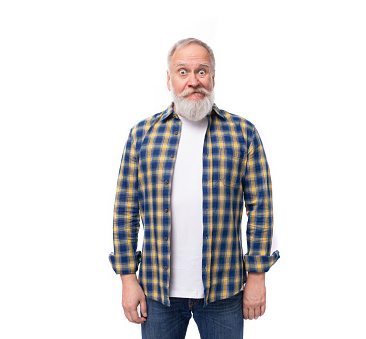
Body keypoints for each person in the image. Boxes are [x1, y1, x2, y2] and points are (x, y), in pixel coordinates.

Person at [109, 38, 279, 339]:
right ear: (169, 79)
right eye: (183, 71)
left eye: (202, 71)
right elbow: (125, 211)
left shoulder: (243, 133)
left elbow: (260, 207)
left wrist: (257, 275)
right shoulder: (142, 135)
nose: (193, 81)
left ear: (213, 77)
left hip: (224, 290)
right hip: (157, 293)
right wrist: (127, 278)